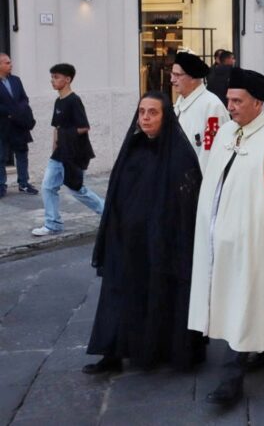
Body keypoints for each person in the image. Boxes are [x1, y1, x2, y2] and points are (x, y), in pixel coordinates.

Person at [188, 68, 264, 407]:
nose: (231, 107)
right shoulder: (227, 132)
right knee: (236, 299)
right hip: (219, 238)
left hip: (255, 239)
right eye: (228, 100)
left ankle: (231, 380)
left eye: (238, 101)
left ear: (258, 103)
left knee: (246, 300)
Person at [84, 92, 205, 374]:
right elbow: (116, 194)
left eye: (153, 112)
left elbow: (188, 200)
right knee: (120, 293)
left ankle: (170, 351)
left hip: (163, 242)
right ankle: (113, 352)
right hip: (128, 241)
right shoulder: (132, 149)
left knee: (163, 294)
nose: (146, 118)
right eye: (142, 112)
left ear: (166, 117)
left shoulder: (181, 155)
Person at [32, 64, 104, 237]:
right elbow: (57, 127)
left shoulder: (74, 100)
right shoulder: (58, 101)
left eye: (56, 77)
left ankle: (108, 212)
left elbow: (84, 127)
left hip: (75, 152)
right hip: (59, 153)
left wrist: (65, 135)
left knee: (78, 190)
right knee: (48, 187)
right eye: (52, 77)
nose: (52, 80)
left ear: (68, 79)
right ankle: (53, 224)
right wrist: (55, 148)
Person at [170, 51, 229, 175]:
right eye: (172, 74)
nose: (172, 79)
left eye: (177, 75)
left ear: (192, 78)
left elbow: (211, 152)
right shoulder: (180, 102)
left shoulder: (212, 106)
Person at [0, 53, 37, 196]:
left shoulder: (16, 80)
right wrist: (10, 112)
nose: (11, 65)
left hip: (18, 125)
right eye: (7, 63)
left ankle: (23, 183)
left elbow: (24, 99)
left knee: (22, 154)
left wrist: (19, 110)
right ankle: (1, 186)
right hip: (2, 126)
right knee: (1, 157)